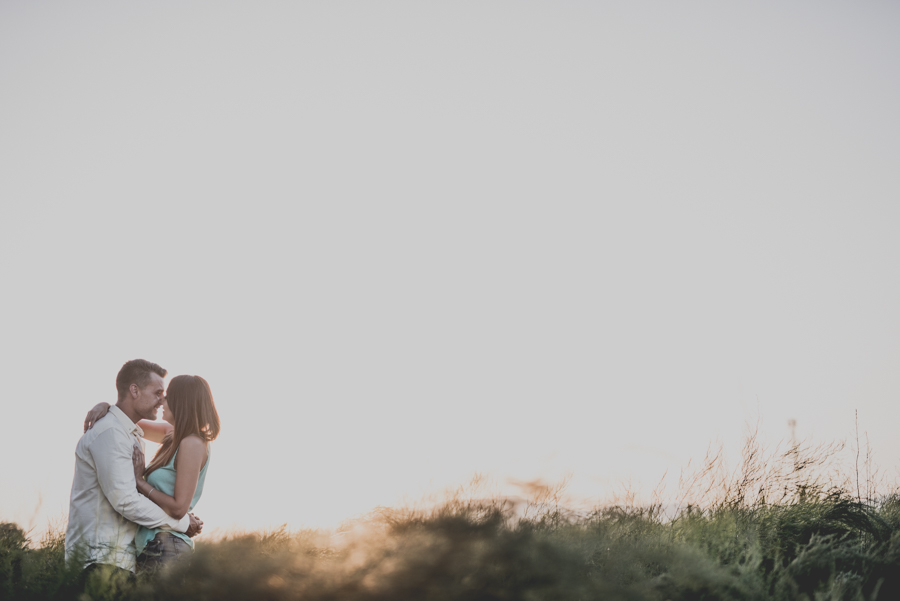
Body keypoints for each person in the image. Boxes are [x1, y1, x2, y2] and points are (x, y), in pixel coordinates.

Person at [65, 359, 202, 577]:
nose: (162, 400)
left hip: (120, 558)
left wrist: (109, 407)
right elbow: (126, 500)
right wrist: (182, 523)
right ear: (134, 390)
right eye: (158, 393)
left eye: (165, 395)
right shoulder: (111, 433)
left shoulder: (138, 435)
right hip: (100, 558)